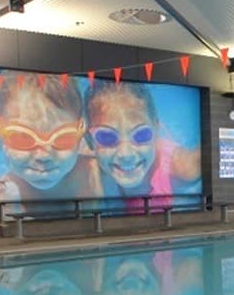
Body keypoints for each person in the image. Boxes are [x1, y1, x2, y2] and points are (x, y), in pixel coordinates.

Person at [83, 81, 199, 209]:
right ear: (89, 141)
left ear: (156, 131)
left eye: (141, 134)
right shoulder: (86, 173)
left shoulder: (181, 168)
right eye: (106, 137)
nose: (126, 154)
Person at [0, 77, 98, 207]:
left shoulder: (98, 178)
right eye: (23, 138)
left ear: (81, 134)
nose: (43, 156)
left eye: (62, 138)